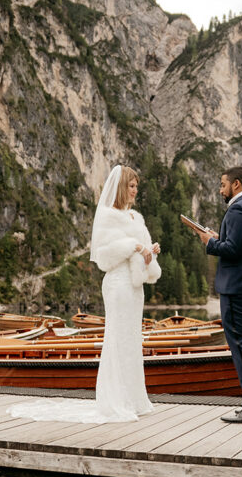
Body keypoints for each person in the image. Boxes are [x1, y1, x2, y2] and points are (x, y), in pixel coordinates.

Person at [8, 164, 161, 424]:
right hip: (118, 283)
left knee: (132, 340)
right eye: (132, 186)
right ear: (122, 187)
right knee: (117, 338)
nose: (135, 191)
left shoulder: (136, 218)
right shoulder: (107, 215)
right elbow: (104, 256)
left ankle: (134, 399)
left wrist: (149, 253)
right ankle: (116, 401)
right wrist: (132, 246)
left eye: (137, 186)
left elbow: (142, 253)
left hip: (135, 288)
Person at [190, 166, 242, 423]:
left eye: (223, 184)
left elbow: (233, 250)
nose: (220, 189)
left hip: (237, 287)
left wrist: (209, 242)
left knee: (240, 344)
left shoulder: (237, 208)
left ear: (236, 184)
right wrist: (220, 237)